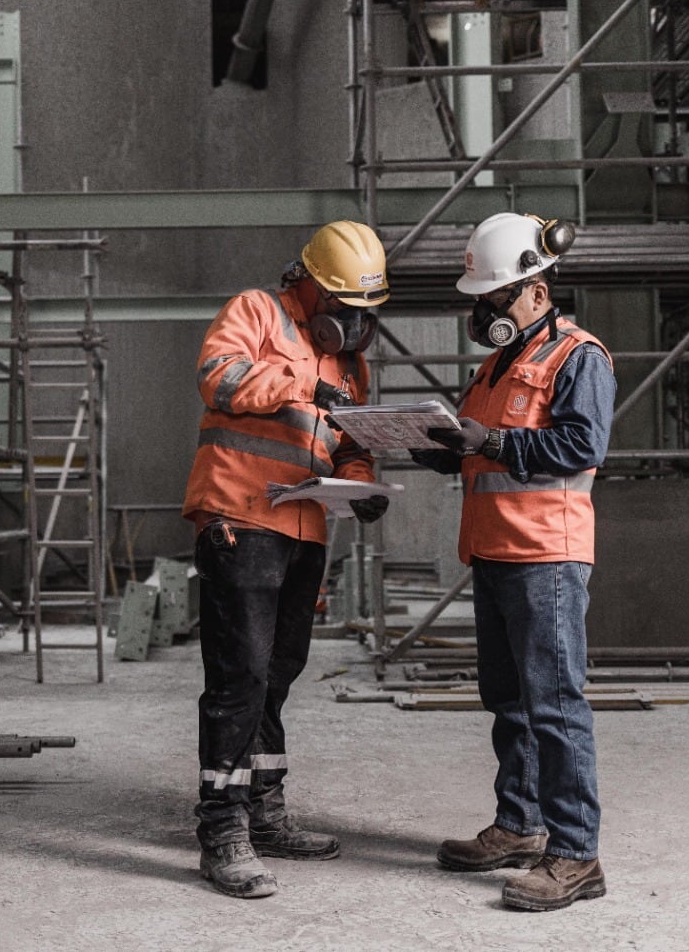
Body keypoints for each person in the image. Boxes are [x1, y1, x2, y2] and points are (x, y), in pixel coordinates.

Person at [409, 211, 614, 912]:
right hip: (496, 552)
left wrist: (490, 443)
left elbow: (579, 448)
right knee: (509, 704)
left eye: (491, 298)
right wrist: (435, 445)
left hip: (546, 555)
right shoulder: (496, 367)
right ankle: (520, 826)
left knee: (555, 707)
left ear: (533, 287)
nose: (482, 311)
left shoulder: (577, 357)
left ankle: (576, 854)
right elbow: (483, 449)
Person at [182, 221, 391, 899]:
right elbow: (221, 381)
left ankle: (263, 808)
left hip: (304, 529)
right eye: (347, 313)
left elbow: (346, 438)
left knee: (278, 672)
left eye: (366, 316)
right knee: (239, 675)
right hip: (241, 517)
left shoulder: (347, 361)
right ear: (310, 286)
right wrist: (305, 381)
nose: (356, 328)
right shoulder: (255, 312)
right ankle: (222, 827)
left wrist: (361, 479)